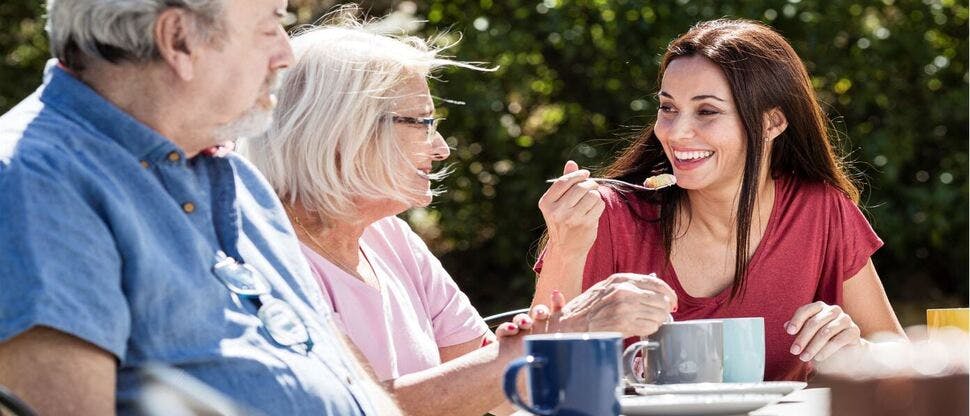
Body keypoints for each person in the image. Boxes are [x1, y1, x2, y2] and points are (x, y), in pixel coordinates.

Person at [238, 13, 678, 416]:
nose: (442, 148)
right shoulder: (268, 253)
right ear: (340, 130)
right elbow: (362, 406)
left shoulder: (391, 239)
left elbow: (508, 395)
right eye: (423, 122)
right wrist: (578, 323)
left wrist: (568, 244)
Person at [0, 1, 404, 414]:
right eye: (271, 26)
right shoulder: (35, 181)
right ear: (178, 40)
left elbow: (329, 361)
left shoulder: (234, 175)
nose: (286, 55)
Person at [534, 18, 906, 381]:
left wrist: (859, 351)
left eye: (707, 111)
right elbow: (537, 375)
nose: (676, 133)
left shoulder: (820, 211)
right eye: (668, 108)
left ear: (771, 123)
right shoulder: (605, 217)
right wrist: (566, 248)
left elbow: (899, 358)